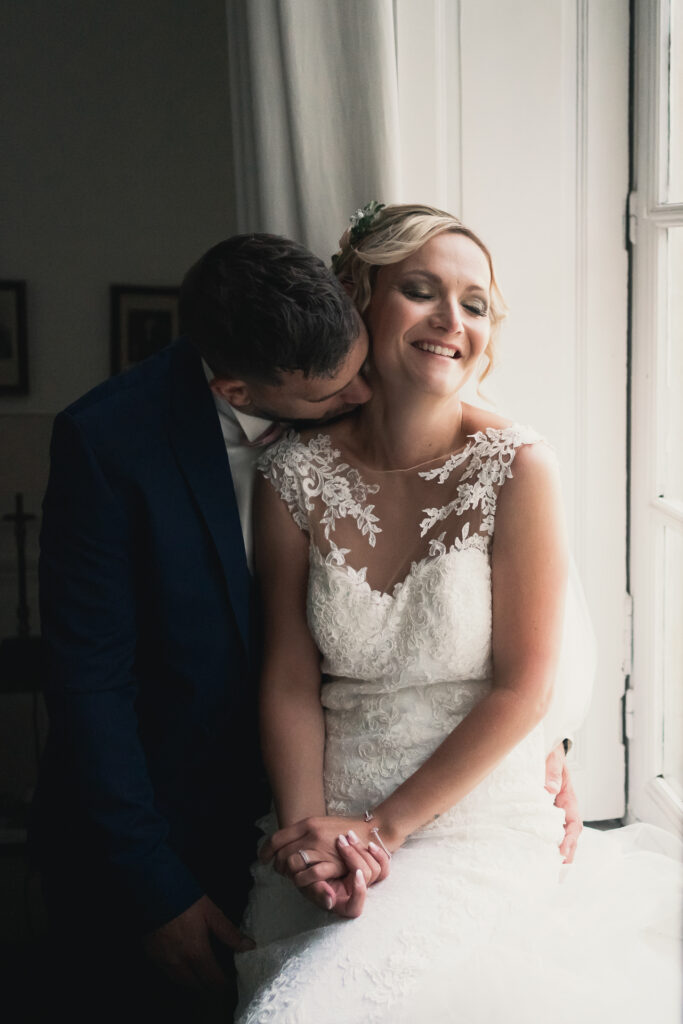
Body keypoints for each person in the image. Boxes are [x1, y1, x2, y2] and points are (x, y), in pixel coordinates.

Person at [31, 229, 580, 1021]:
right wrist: (166, 885)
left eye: (474, 303)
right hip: (189, 830)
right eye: (332, 393)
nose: (354, 395)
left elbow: (526, 662)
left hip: (444, 821)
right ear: (241, 392)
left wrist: (550, 744)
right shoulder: (115, 443)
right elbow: (93, 686)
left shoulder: (506, 457)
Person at [234, 204, 682, 1023]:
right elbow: (289, 677)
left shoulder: (517, 467)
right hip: (324, 821)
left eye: (473, 304)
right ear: (357, 300)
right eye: (418, 290)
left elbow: (523, 688)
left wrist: (380, 832)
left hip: (470, 826)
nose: (451, 320)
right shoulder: (291, 474)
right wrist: (307, 836)